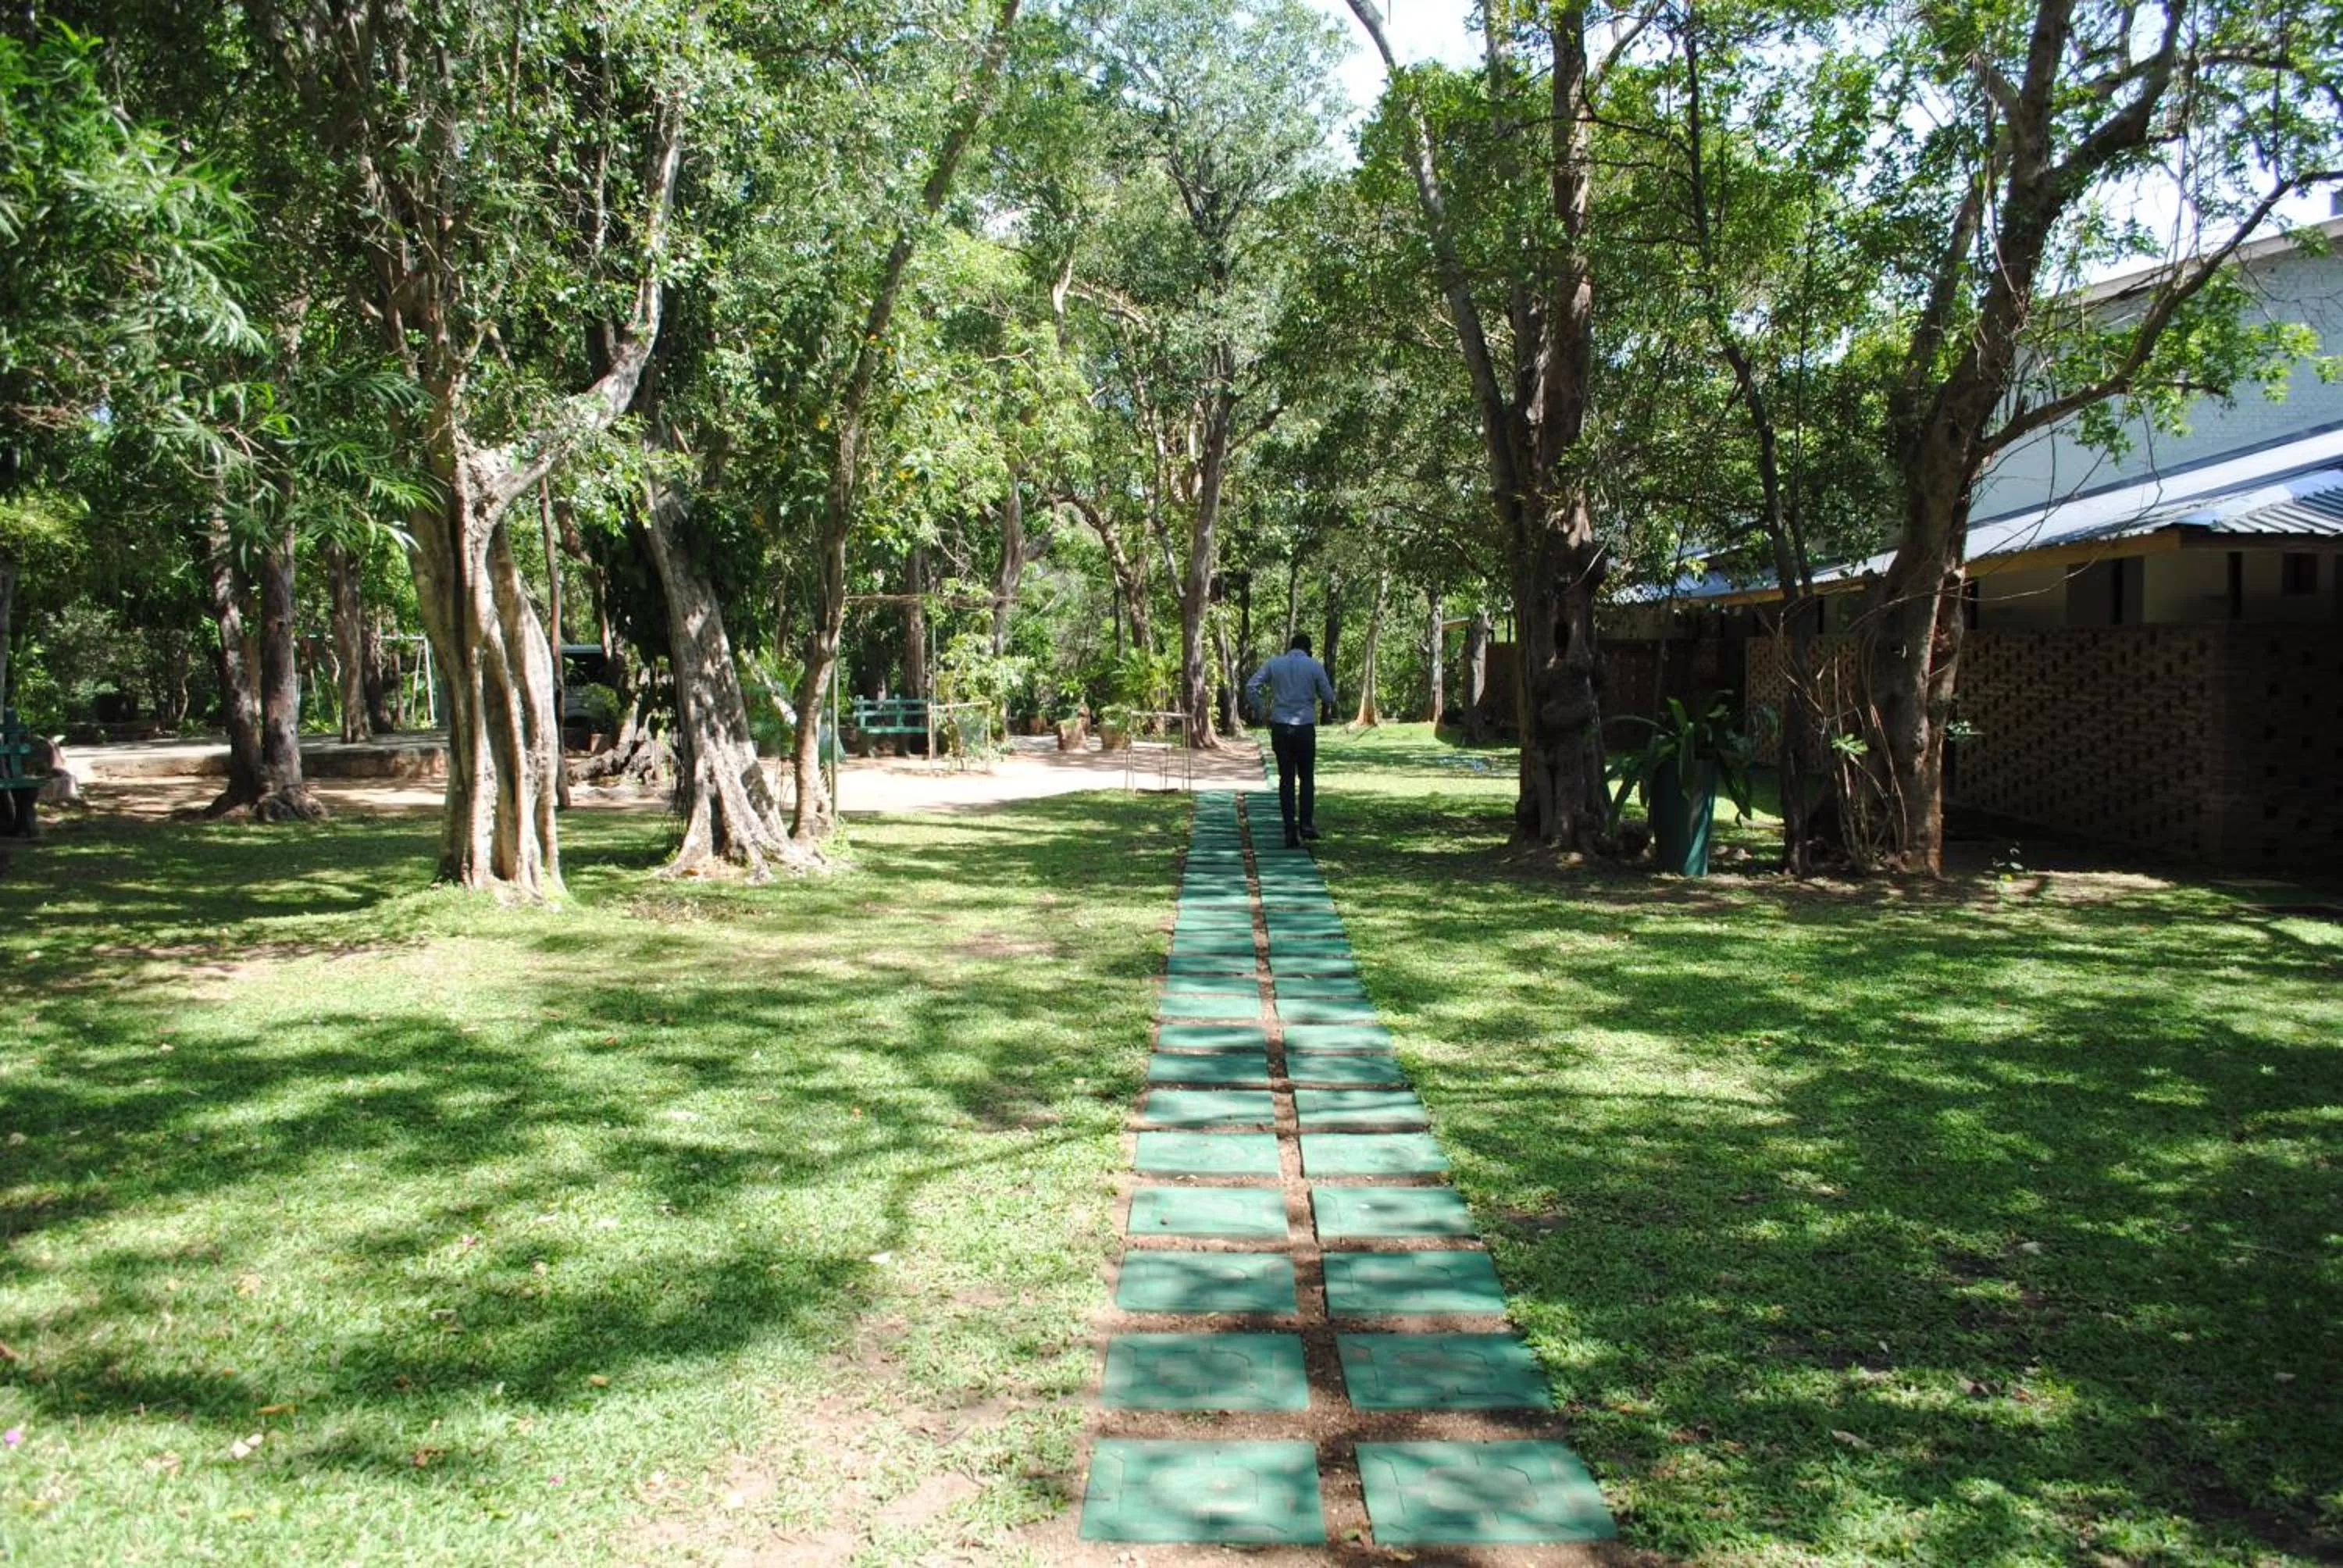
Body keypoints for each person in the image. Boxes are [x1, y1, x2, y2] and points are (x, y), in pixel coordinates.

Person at [1244, 633, 1337, 849]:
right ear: (1308, 649)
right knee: (1306, 777)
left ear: (1291, 647)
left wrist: (1262, 709)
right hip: (1304, 726)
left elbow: (1251, 686)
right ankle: (1305, 824)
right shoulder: (1314, 666)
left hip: (1280, 726)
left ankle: (1289, 829)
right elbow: (1329, 697)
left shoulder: (1275, 664)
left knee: (1286, 778)